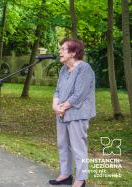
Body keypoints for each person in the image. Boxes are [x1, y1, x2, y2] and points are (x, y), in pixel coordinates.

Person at [49, 38, 95, 187]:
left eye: (63, 49)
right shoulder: (63, 69)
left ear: (73, 52)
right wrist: (55, 105)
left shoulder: (84, 69)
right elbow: (57, 90)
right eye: (60, 49)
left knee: (78, 147)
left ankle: (80, 179)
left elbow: (79, 95)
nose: (59, 51)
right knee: (62, 145)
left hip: (77, 114)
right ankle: (65, 174)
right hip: (61, 114)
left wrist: (61, 108)